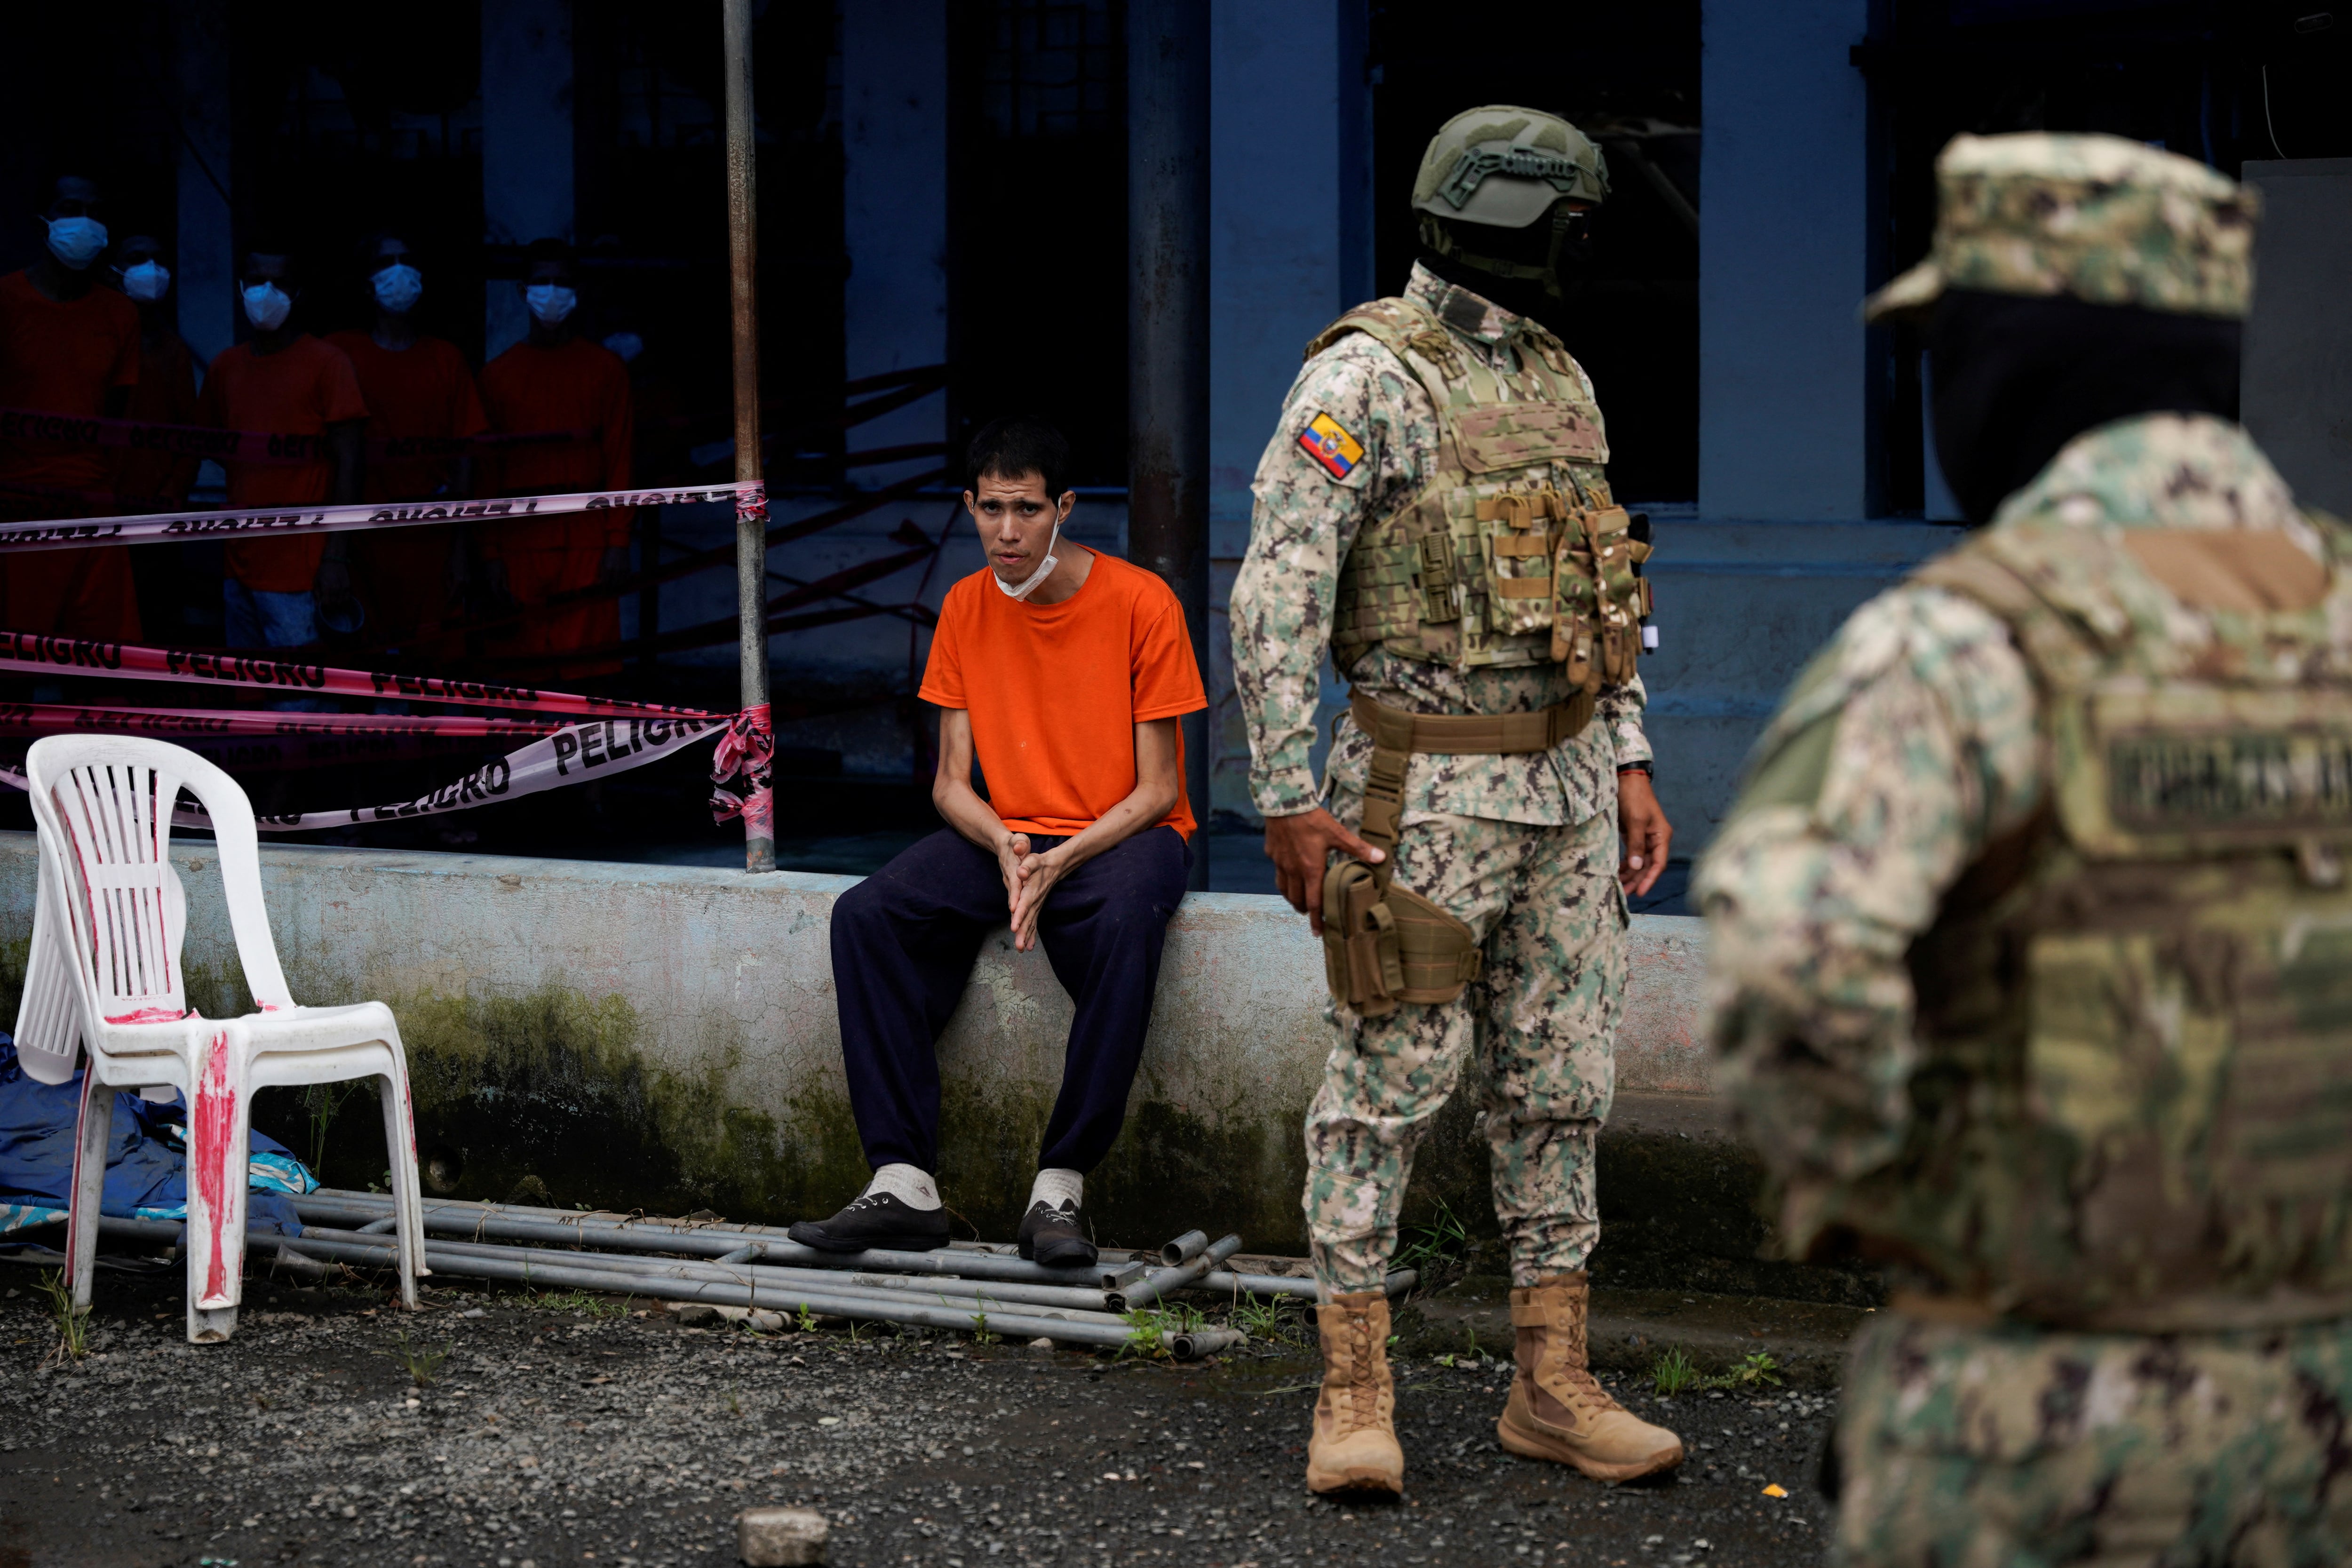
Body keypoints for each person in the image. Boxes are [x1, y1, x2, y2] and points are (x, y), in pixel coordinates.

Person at [1695, 133, 2352, 1562]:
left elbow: (1792, 968)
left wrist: (1903, 1197)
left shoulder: (1962, 639)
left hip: (2036, 1412)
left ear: (2012, 361)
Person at [1231, 105, 1680, 1495]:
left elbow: (1599, 583)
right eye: (1572, 221)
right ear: (1508, 217)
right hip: (1417, 794)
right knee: (1388, 1084)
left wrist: (1625, 754)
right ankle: (1352, 1388)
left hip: (1561, 792)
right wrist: (1285, 798)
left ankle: (1549, 1382)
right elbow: (1278, 587)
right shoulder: (1360, 377)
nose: (1584, 249)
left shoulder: (1559, 375)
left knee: (1558, 1082)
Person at [792, 416, 1205, 1270]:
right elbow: (950, 784)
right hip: (1011, 833)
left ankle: (1061, 1185)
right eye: (990, 510)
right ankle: (904, 1180)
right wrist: (1010, 844)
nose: (1007, 532)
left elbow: (1160, 789)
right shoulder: (966, 607)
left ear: (1065, 508)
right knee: (867, 915)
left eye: (1026, 510)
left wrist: (1062, 858)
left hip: (1126, 832)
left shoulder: (1140, 602)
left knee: (1127, 920)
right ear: (970, 506)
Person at [476, 238, 632, 673]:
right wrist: (491, 555)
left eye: (561, 282)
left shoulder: (606, 371)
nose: (551, 291)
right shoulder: (497, 377)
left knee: (588, 670)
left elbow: (619, 458)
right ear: (523, 289)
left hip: (587, 534)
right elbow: (486, 473)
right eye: (542, 281)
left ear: (577, 289)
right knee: (526, 669)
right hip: (521, 538)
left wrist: (617, 541)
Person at [197, 248, 367, 649]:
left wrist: (336, 558)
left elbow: (351, 464)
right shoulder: (225, 368)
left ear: (298, 293)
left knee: (298, 702)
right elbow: (214, 445)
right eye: (257, 281)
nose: (267, 291)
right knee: (249, 697)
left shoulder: (328, 365)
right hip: (238, 566)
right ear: (241, 288)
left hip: (302, 574)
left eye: (280, 283)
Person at [326, 234, 487, 654]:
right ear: (366, 283)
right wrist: (333, 556)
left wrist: (460, 550)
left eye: (407, 261)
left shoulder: (447, 361)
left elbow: (466, 460)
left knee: (435, 679)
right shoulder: (338, 356)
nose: (398, 271)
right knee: (367, 682)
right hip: (362, 549)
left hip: (431, 550)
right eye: (386, 262)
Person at [0, 175, 143, 640]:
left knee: (103, 661)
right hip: (17, 506)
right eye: (70, 208)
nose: (84, 221)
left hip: (94, 507)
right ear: (43, 222)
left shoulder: (121, 314)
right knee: (19, 655)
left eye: (95, 211)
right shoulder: (6, 301)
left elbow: (118, 417)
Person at [106, 234, 203, 513]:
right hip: (95, 508)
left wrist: (170, 496)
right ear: (111, 272)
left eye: (159, 261)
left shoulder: (173, 350)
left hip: (158, 513)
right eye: (136, 259)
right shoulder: (91, 341)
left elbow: (190, 439)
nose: (150, 269)